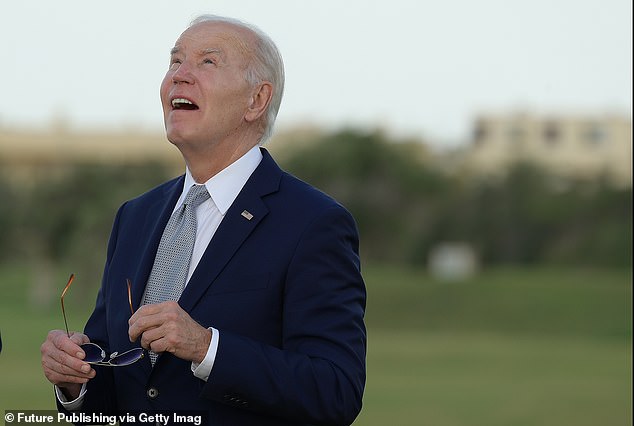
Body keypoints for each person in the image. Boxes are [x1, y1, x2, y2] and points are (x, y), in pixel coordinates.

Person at [40, 14, 366, 426]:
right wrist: (75, 381)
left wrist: (208, 348)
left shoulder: (313, 223)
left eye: (207, 62)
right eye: (175, 62)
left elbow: (335, 390)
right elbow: (119, 385)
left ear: (257, 100)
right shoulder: (135, 217)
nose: (180, 75)